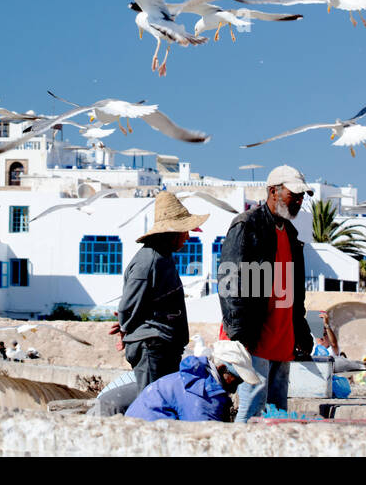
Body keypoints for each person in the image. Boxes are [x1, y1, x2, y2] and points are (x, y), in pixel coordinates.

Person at [218, 164, 313, 422]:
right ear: (273, 191)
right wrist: (239, 333)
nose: (299, 201)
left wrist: (301, 331)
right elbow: (230, 280)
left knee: (276, 414)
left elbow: (295, 290)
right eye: (294, 195)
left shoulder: (291, 234)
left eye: (301, 196)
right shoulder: (247, 225)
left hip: (282, 337)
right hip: (255, 336)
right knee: (251, 410)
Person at [110, 191, 207, 394]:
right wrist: (124, 327)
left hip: (163, 346)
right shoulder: (148, 262)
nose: (188, 236)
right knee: (153, 402)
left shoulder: (162, 258)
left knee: (163, 402)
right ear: (171, 233)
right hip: (151, 347)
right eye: (184, 231)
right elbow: (128, 307)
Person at [125, 340, 262, 422]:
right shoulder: (202, 395)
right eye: (235, 380)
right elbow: (204, 440)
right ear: (221, 368)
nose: (235, 388)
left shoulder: (196, 380)